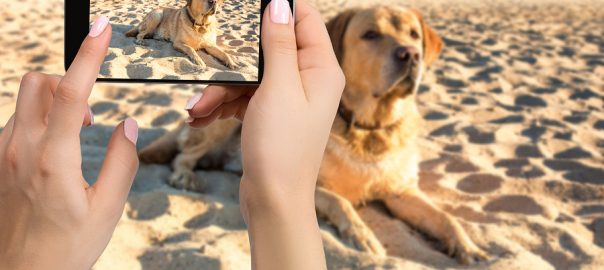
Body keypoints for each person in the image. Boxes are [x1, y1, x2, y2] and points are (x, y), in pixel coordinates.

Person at [0, 0, 344, 269]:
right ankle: (145, 33)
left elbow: (212, 48)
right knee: (148, 29)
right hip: (168, 30)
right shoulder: (176, 17)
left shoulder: (210, 22)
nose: (212, 3)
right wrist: (286, 199)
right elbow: (183, 43)